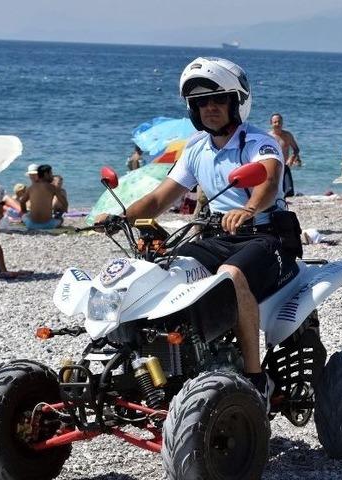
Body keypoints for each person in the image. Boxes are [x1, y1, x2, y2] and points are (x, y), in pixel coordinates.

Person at [96, 57, 290, 404]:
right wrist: (119, 216)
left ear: (237, 102)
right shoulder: (196, 148)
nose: (210, 108)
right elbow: (159, 197)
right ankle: (176, 362)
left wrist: (247, 209)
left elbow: (270, 181)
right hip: (216, 238)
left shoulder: (258, 142)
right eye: (201, 102)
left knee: (231, 275)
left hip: (265, 236)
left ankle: (254, 377)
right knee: (165, 268)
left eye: (218, 100)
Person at [21, 165, 67, 229]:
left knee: (24, 216)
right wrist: (64, 210)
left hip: (31, 225)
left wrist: (24, 211)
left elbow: (22, 202)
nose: (52, 176)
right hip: (48, 225)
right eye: (51, 173)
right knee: (61, 219)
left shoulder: (31, 188)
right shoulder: (52, 188)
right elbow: (64, 202)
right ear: (46, 174)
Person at [268, 113, 301, 198]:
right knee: (271, 191)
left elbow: (296, 149)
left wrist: (291, 158)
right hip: (272, 167)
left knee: (286, 192)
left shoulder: (287, 135)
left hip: (285, 166)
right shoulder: (268, 137)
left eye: (279, 122)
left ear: (282, 123)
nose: (277, 124)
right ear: (271, 123)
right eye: (275, 122)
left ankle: (282, 207)